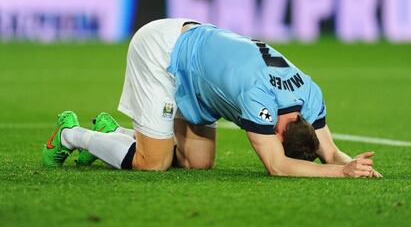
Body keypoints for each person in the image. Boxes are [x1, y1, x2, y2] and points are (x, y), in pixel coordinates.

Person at [42, 19, 381, 178]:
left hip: (201, 71)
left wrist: (356, 167)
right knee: (154, 163)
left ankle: (112, 134)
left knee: (197, 163)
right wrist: (340, 174)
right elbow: (278, 166)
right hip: (164, 52)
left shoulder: (308, 95)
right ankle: (71, 136)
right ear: (279, 134)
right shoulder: (257, 97)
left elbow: (331, 151)